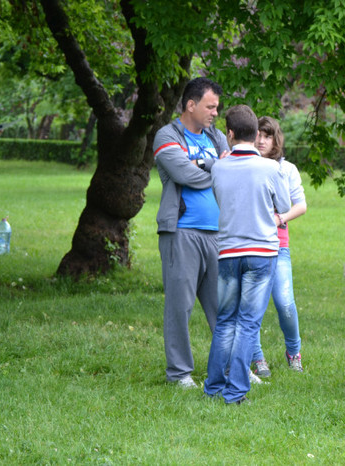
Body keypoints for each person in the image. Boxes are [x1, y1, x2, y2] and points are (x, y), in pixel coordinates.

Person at [203, 105, 291, 405]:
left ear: (229, 134)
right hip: (261, 253)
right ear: (255, 135)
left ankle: (214, 384)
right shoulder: (271, 168)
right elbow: (283, 204)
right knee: (248, 323)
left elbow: (219, 197)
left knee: (225, 319)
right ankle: (236, 391)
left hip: (227, 252)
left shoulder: (218, 167)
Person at [152, 78, 230, 389]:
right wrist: (215, 166)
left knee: (223, 307)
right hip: (181, 232)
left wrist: (203, 163)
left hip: (219, 234)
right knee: (179, 307)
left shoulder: (216, 135)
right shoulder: (166, 135)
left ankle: (229, 368)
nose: (215, 113)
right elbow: (184, 174)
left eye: (217, 108)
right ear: (191, 105)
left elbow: (231, 170)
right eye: (211, 107)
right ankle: (180, 374)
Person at [250, 116, 307, 377]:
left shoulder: (287, 169)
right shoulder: (245, 165)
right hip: (249, 244)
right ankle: (257, 358)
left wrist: (280, 218)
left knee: (285, 302)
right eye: (257, 134)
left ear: (276, 140)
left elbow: (300, 205)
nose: (261, 140)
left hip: (277, 245)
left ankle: (293, 351)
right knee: (252, 306)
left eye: (267, 135)